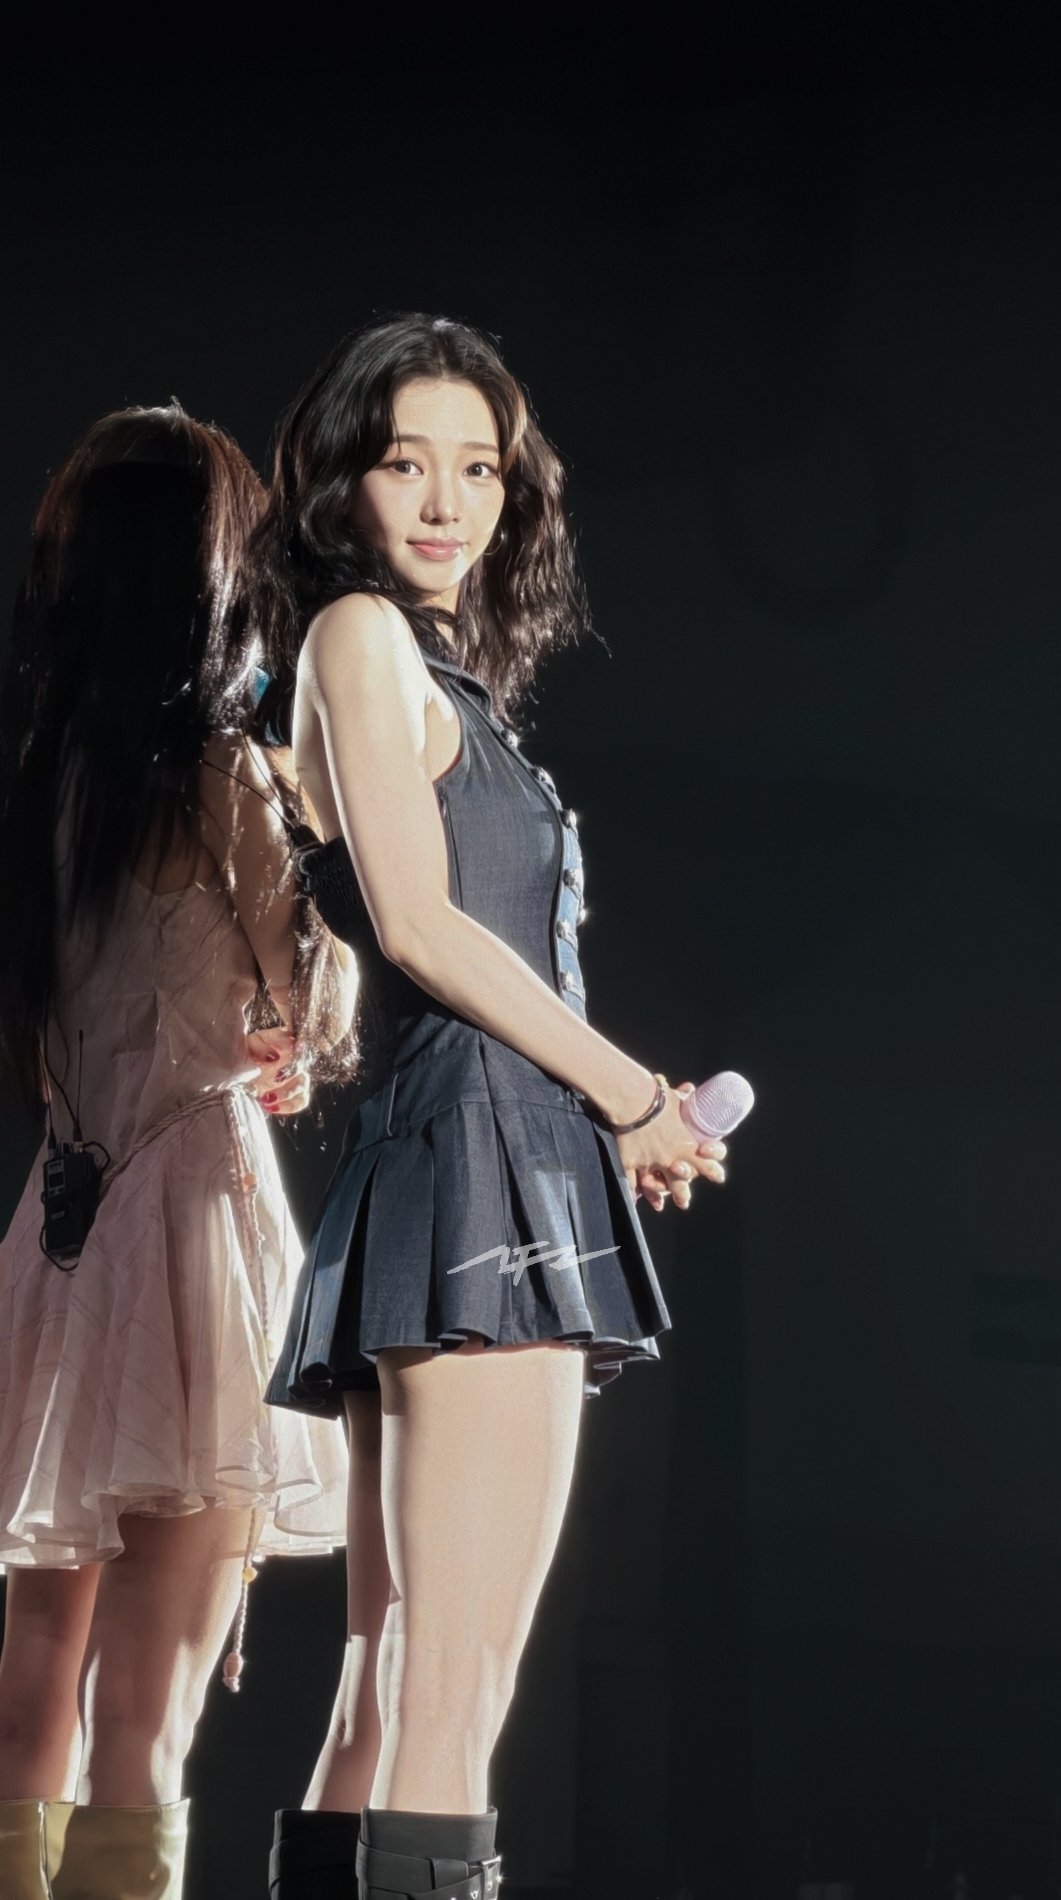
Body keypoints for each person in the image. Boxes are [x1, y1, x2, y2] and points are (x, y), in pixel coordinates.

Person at [248, 314, 729, 1900]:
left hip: (472, 1154)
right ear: (341, 481)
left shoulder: (419, 665)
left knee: (392, 1687)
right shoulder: (358, 637)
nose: (449, 502)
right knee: (447, 1695)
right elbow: (418, 924)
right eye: (407, 464)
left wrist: (616, 1118)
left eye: (481, 470)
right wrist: (631, 1092)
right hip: (479, 1162)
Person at [0, 404, 359, 1900]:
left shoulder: (47, 783)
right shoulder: (228, 777)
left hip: (64, 1230)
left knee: (31, 1686)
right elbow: (315, 1000)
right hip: (195, 1226)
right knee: (148, 1716)